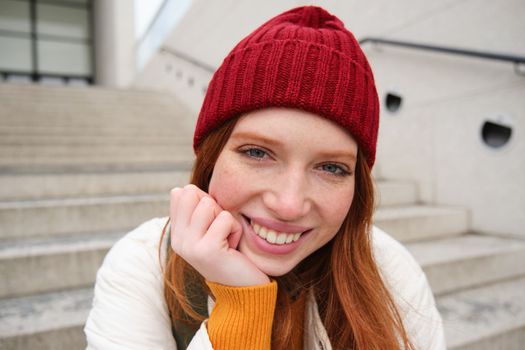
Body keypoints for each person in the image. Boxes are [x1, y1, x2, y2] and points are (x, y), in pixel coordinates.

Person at [85, 6, 446, 350]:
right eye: (257, 153)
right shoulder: (143, 263)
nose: (289, 204)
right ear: (212, 157)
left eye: (331, 167)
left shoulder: (389, 270)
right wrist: (241, 308)